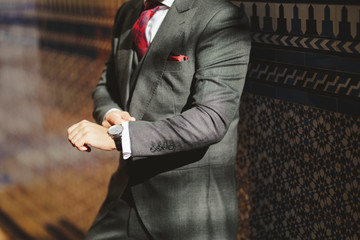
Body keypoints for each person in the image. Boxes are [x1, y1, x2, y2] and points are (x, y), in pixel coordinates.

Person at [67, 0, 250, 239]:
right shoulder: (128, 12)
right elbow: (106, 85)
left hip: (187, 212)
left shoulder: (220, 17)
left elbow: (211, 119)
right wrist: (110, 113)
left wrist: (121, 138)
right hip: (124, 197)